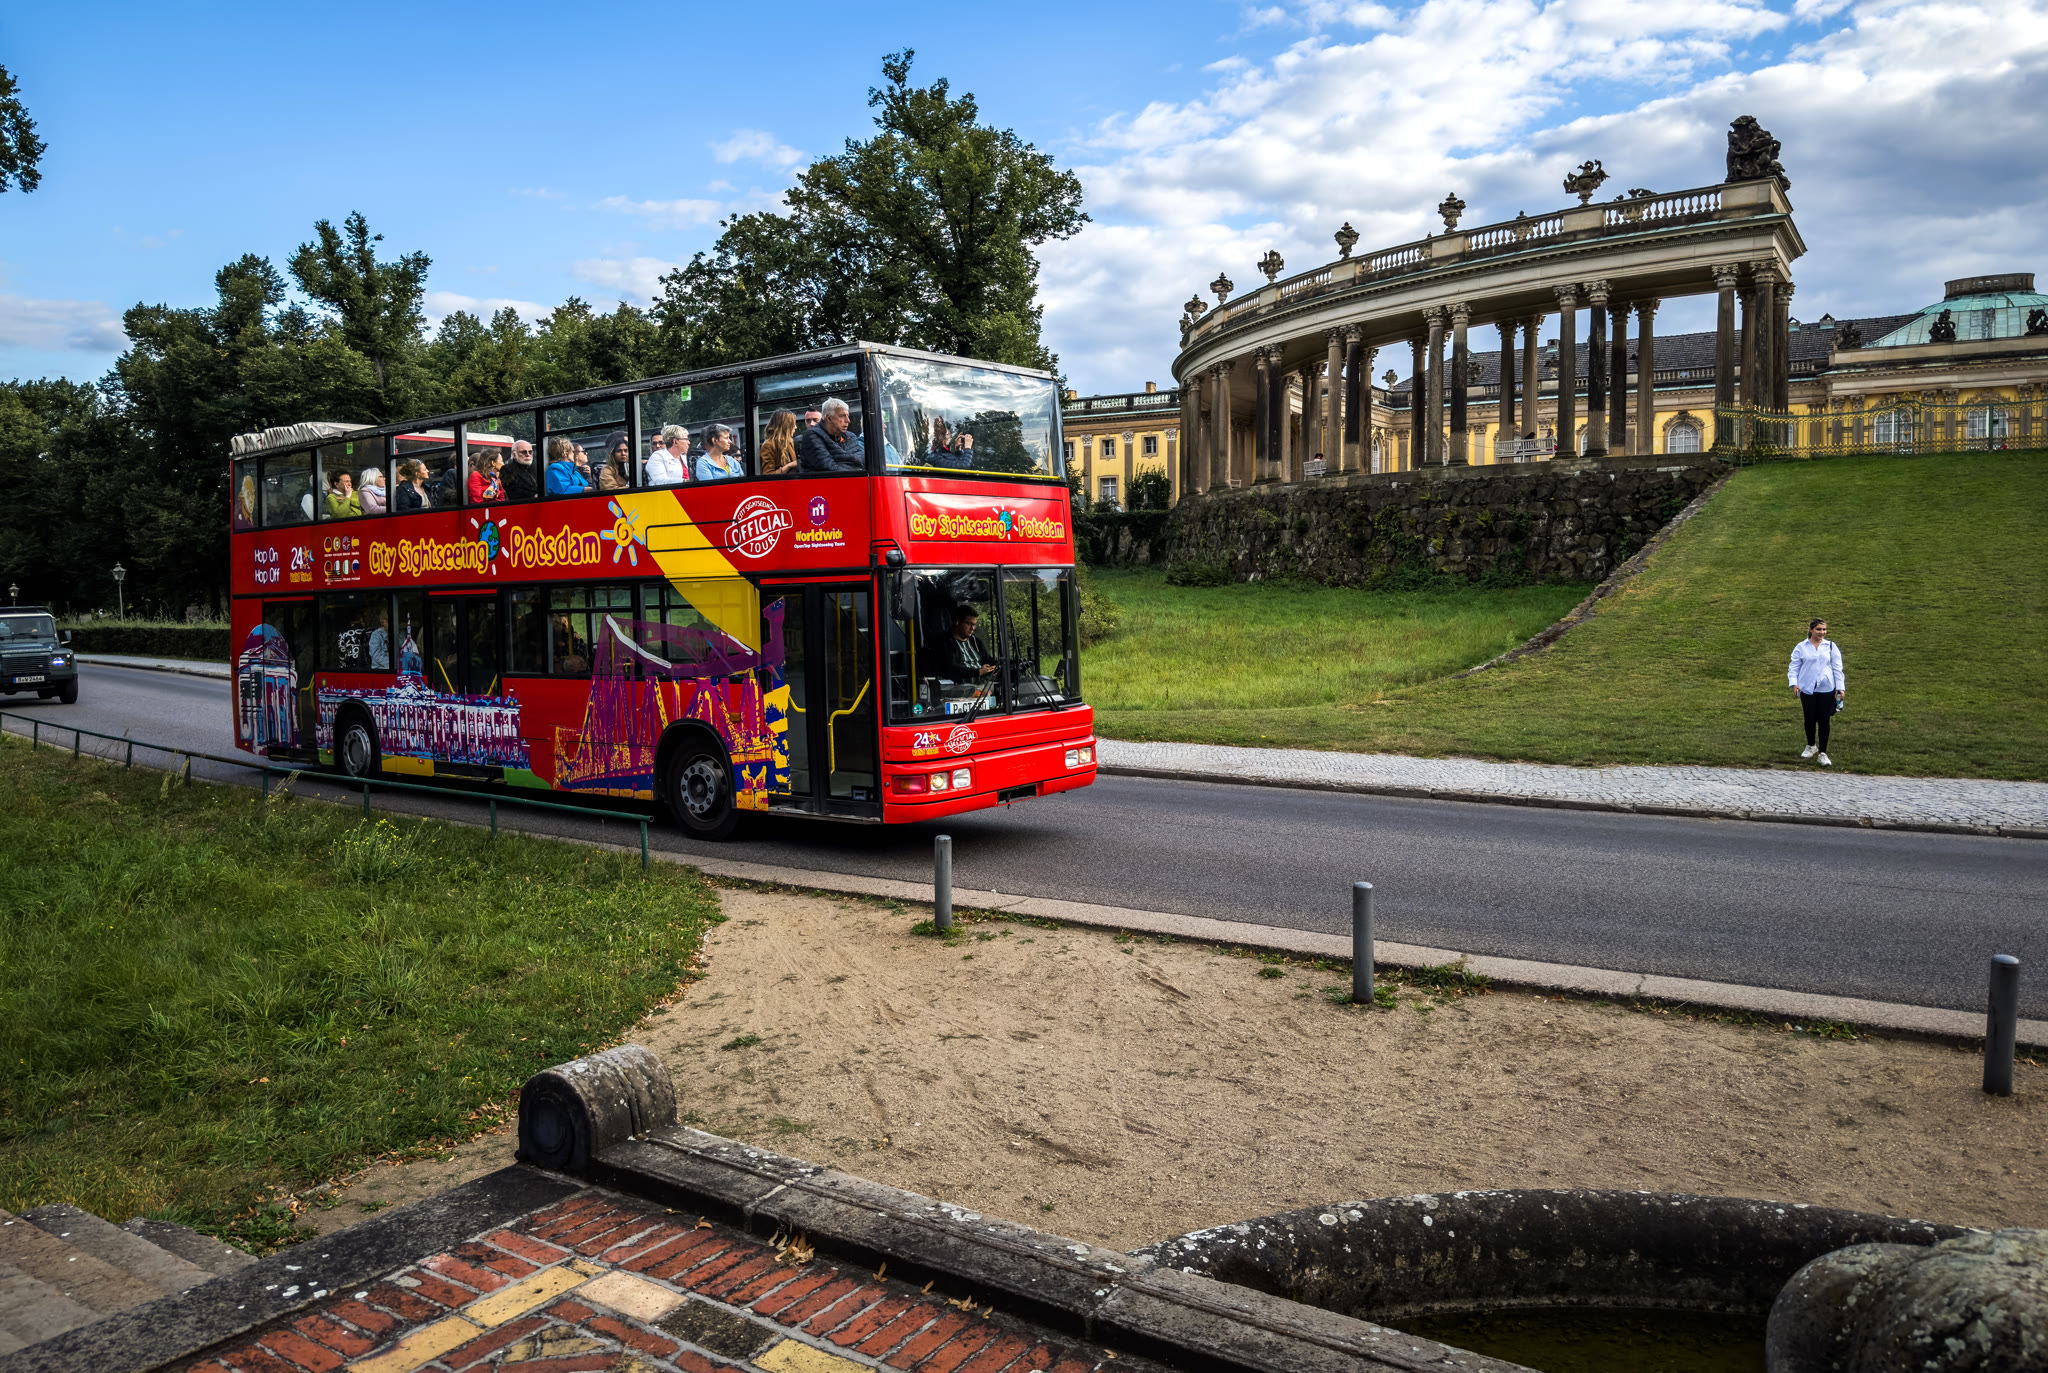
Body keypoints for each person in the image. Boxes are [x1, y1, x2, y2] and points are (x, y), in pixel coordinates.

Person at [1787, 617, 1845, 767]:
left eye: (1824, 629)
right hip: (1807, 688)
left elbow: (1837, 668)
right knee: (1810, 718)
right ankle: (1811, 745)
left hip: (1827, 688)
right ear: (1811, 630)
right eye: (1819, 629)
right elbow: (1794, 667)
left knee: (1824, 720)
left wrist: (1840, 688)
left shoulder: (1830, 646)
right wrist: (1794, 683)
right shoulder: (1801, 647)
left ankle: (1823, 753)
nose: (1822, 632)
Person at [795, 397, 865, 473]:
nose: (848, 420)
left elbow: (861, 461)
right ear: (829, 419)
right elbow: (828, 466)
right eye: (842, 416)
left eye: (847, 416)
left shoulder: (851, 436)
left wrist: (841, 460)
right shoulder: (812, 436)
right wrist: (850, 461)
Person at [937, 605, 996, 685]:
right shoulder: (945, 642)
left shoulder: (976, 642)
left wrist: (995, 666)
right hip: (958, 689)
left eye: (974, 625)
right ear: (958, 622)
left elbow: (988, 660)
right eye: (969, 624)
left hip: (980, 686)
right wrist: (978, 672)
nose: (972, 628)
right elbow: (951, 668)